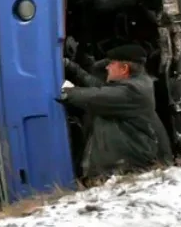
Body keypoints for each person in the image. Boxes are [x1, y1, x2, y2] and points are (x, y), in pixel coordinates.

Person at [59, 43, 174, 181]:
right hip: (124, 165)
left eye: (111, 64)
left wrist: (64, 92)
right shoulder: (135, 83)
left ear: (124, 68)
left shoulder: (133, 91)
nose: (107, 67)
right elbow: (100, 88)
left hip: (128, 168)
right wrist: (72, 68)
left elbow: (94, 97)